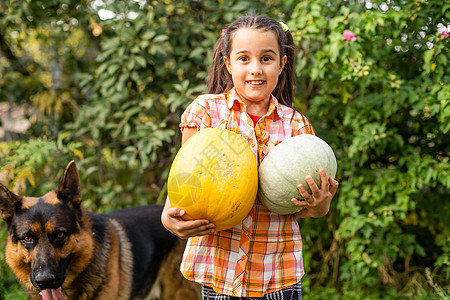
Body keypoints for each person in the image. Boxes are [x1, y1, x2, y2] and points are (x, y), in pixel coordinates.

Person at [161, 15, 339, 299]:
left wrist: (320, 206)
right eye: (244, 58)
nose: (255, 69)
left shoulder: (297, 126)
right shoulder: (206, 112)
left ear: (282, 63)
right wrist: (169, 217)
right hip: (221, 271)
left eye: (266, 58)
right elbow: (185, 178)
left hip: (278, 273)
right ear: (228, 63)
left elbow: (309, 209)